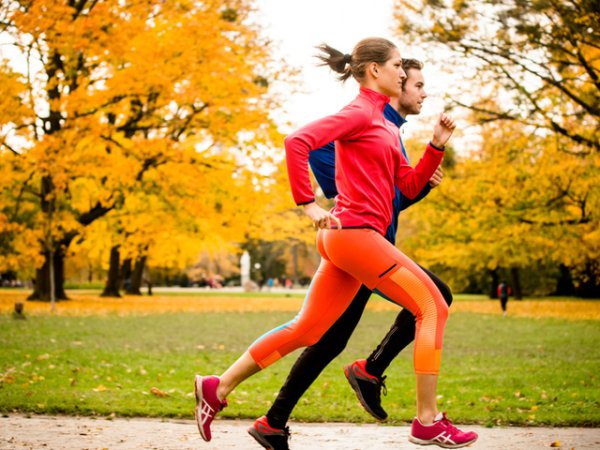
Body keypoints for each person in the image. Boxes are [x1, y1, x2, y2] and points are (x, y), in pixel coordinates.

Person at [194, 37, 478, 448]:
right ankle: (427, 420)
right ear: (374, 70)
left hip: (349, 239)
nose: (403, 72)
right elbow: (298, 142)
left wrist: (435, 147)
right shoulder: (359, 112)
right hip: (355, 235)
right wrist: (307, 204)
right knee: (433, 305)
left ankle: (217, 388)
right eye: (398, 65)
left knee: (308, 329)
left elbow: (407, 184)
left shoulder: (383, 123)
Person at [248, 58, 453, 450]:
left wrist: (421, 180)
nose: (423, 93)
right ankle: (364, 375)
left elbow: (390, 200)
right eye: (417, 84)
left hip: (376, 245)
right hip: (355, 247)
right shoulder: (355, 127)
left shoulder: (391, 132)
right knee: (332, 335)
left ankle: (277, 421)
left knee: (330, 338)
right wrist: (308, 202)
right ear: (396, 82)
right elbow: (349, 198)